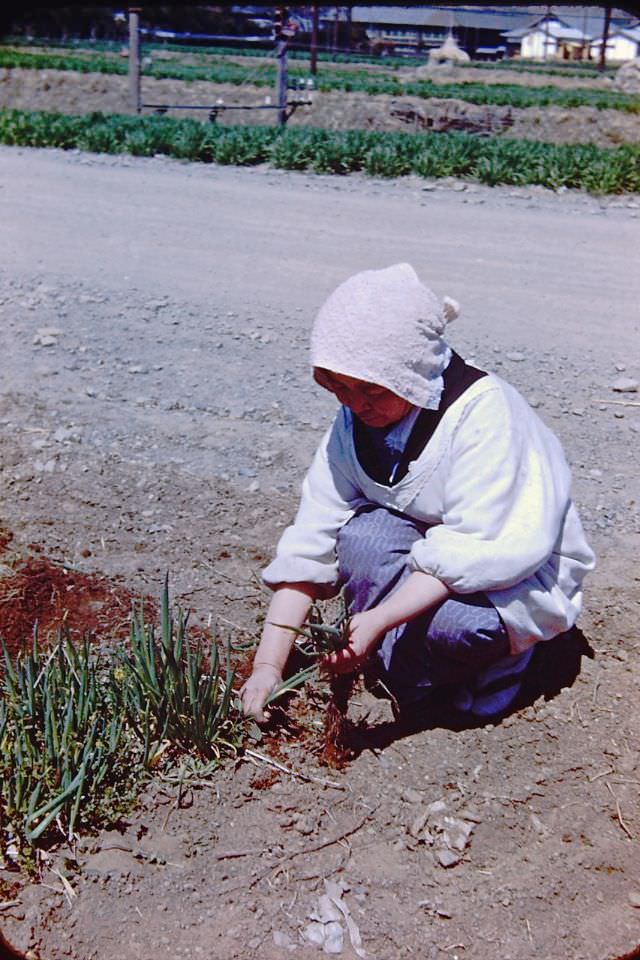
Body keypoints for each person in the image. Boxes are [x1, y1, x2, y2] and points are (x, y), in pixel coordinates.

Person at [239, 263, 595, 725]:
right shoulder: (355, 421)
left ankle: (508, 659)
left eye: (370, 388)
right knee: (361, 538)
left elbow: (481, 547)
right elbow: (314, 536)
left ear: (411, 373)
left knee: (457, 628)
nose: (354, 403)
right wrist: (268, 667)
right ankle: (412, 659)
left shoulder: (485, 415)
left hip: (511, 568)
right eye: (337, 387)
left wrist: (380, 618)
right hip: (429, 552)